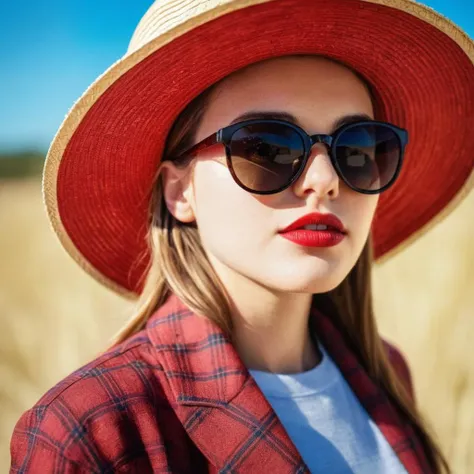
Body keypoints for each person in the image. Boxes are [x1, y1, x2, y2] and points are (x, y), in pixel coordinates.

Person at [10, 0, 474, 473]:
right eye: (267, 147)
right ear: (179, 191)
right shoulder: (95, 430)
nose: (324, 179)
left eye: (356, 149)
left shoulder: (385, 374)